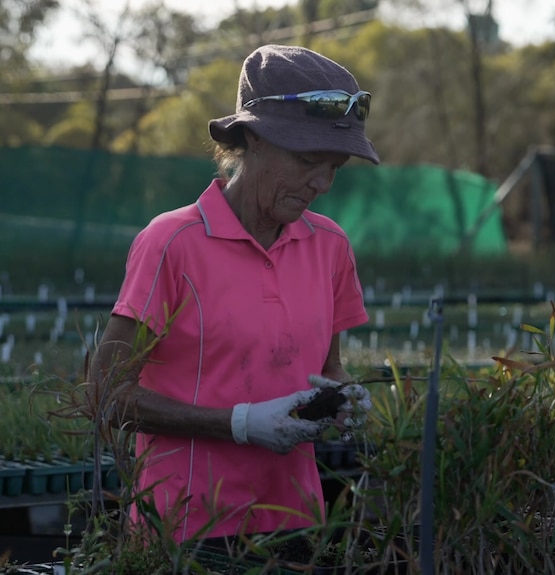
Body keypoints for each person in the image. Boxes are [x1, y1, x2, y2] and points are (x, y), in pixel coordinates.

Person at [88, 44, 380, 544]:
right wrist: (240, 423)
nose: (322, 184)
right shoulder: (172, 243)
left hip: (295, 523)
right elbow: (104, 394)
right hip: (183, 530)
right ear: (252, 139)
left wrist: (344, 397)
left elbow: (328, 367)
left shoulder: (329, 246)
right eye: (309, 160)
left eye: (335, 167)